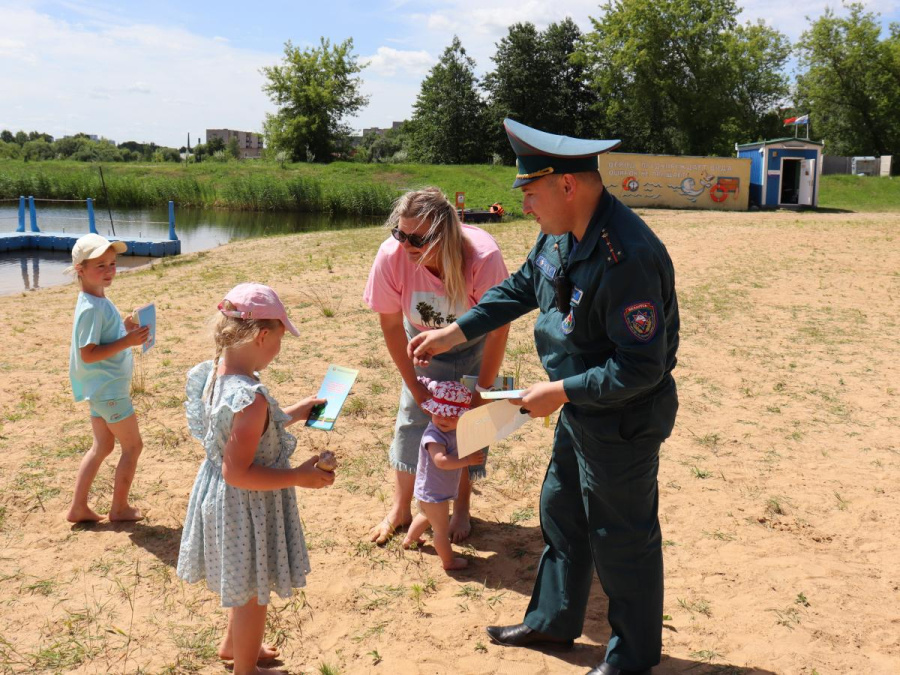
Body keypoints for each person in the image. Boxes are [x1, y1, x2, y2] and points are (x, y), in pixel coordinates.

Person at [409, 119, 680, 675]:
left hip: (622, 416)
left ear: (567, 185)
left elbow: (641, 367)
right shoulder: (560, 233)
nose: (524, 205)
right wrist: (456, 331)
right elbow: (520, 287)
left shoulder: (626, 255)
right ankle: (554, 621)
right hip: (577, 407)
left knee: (621, 536)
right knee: (561, 512)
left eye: (530, 193)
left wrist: (559, 391)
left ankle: (632, 658)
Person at [176, 283, 335, 675]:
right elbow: (238, 471)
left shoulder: (216, 373)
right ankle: (245, 670)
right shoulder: (251, 397)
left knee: (242, 578)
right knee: (252, 595)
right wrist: (298, 476)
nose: (279, 347)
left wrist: (294, 413)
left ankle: (234, 645)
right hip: (245, 505)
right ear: (263, 336)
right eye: (279, 338)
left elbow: (241, 435)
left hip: (219, 498)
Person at [363, 187, 510, 544]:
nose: (406, 245)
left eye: (418, 238)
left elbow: (498, 328)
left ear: (444, 234)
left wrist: (482, 391)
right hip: (420, 343)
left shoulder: (483, 257)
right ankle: (401, 508)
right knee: (411, 419)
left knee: (469, 426)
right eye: (401, 234)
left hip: (474, 344)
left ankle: (462, 507)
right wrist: (414, 385)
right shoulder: (391, 255)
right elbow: (391, 325)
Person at [66, 233, 150, 523]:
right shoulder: (91, 308)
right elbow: (88, 354)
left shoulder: (97, 299)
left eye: (112, 264)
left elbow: (104, 338)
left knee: (102, 446)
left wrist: (124, 328)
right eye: (100, 265)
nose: (109, 270)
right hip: (109, 391)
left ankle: (78, 508)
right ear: (80, 269)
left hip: (100, 389)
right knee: (133, 446)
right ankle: (119, 509)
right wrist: (127, 342)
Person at [402, 377, 487, 571]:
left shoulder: (451, 431)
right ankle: (448, 561)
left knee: (425, 515)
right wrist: (467, 461)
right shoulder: (434, 436)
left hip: (433, 491)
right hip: (433, 493)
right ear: (432, 411)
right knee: (440, 531)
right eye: (439, 413)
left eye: (452, 416)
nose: (444, 419)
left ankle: (410, 539)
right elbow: (440, 460)